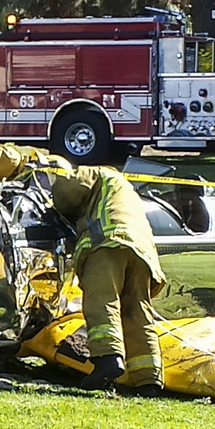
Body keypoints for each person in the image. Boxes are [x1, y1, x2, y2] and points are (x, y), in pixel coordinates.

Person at [50, 166, 166, 396]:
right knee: (136, 311)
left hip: (107, 242)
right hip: (140, 252)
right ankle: (149, 379)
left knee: (101, 300)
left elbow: (68, 190)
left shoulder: (98, 173)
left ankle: (107, 360)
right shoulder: (127, 190)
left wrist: (54, 206)